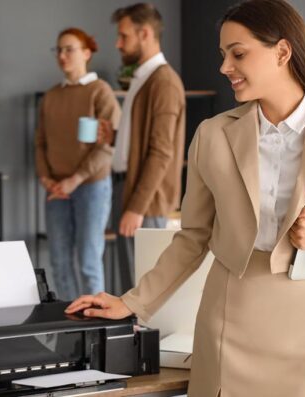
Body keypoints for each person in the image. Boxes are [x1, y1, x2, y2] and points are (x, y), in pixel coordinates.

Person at [66, 0, 305, 395]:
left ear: (282, 52)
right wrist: (132, 302)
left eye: (238, 53)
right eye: (223, 54)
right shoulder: (212, 136)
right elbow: (193, 237)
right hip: (230, 321)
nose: (224, 67)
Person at [35, 28, 121, 301]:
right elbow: (40, 143)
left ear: (86, 53)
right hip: (56, 190)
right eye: (58, 50)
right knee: (59, 262)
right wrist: (46, 179)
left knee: (88, 261)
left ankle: (95, 329)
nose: (62, 55)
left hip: (91, 187)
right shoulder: (51, 97)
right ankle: (69, 328)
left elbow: (107, 146)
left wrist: (76, 179)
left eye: (69, 49)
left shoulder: (100, 91)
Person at [108, 3, 186, 291]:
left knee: (141, 291)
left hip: (145, 201)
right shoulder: (145, 79)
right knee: (133, 288)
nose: (118, 44)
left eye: (123, 36)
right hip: (131, 191)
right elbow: (144, 140)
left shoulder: (163, 83)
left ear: (144, 33)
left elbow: (161, 151)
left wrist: (136, 206)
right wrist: (114, 138)